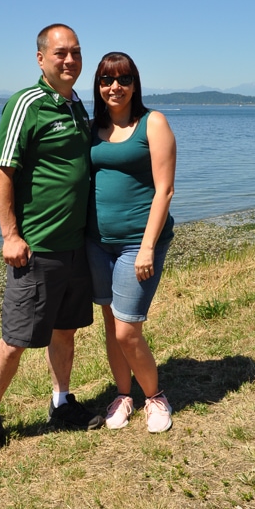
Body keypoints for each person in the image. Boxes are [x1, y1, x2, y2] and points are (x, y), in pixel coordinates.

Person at [0, 24, 104, 468]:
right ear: (41, 59)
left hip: (75, 245)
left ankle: (61, 402)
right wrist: (10, 235)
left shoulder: (77, 103)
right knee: (16, 337)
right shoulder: (26, 103)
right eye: (61, 53)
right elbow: (3, 170)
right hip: (36, 246)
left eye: (76, 53)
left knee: (65, 329)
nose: (70, 60)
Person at [86, 52, 177, 433]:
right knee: (110, 321)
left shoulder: (152, 123)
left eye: (123, 80)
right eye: (107, 81)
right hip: (96, 242)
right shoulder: (93, 127)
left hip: (136, 245)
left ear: (135, 84)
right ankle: (124, 395)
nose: (115, 87)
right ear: (99, 87)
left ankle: (155, 397)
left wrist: (146, 247)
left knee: (128, 328)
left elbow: (165, 190)